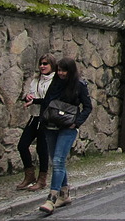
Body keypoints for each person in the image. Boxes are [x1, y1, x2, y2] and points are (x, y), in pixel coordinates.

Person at [38, 58, 92, 214]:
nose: (61, 73)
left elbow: (88, 107)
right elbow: (47, 103)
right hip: (50, 126)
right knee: (57, 161)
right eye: (59, 70)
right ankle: (65, 194)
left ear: (71, 71)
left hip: (67, 128)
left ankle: (51, 198)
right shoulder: (54, 83)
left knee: (58, 160)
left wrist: (76, 122)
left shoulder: (79, 85)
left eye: (64, 70)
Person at [16, 53, 56, 191]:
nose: (42, 66)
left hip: (46, 118)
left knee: (41, 148)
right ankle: (29, 175)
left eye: (45, 64)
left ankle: (42, 179)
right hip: (35, 116)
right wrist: (28, 97)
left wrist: (36, 100)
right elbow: (32, 95)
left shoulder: (54, 81)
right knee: (22, 145)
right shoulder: (35, 80)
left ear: (52, 65)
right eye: (41, 64)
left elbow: (49, 100)